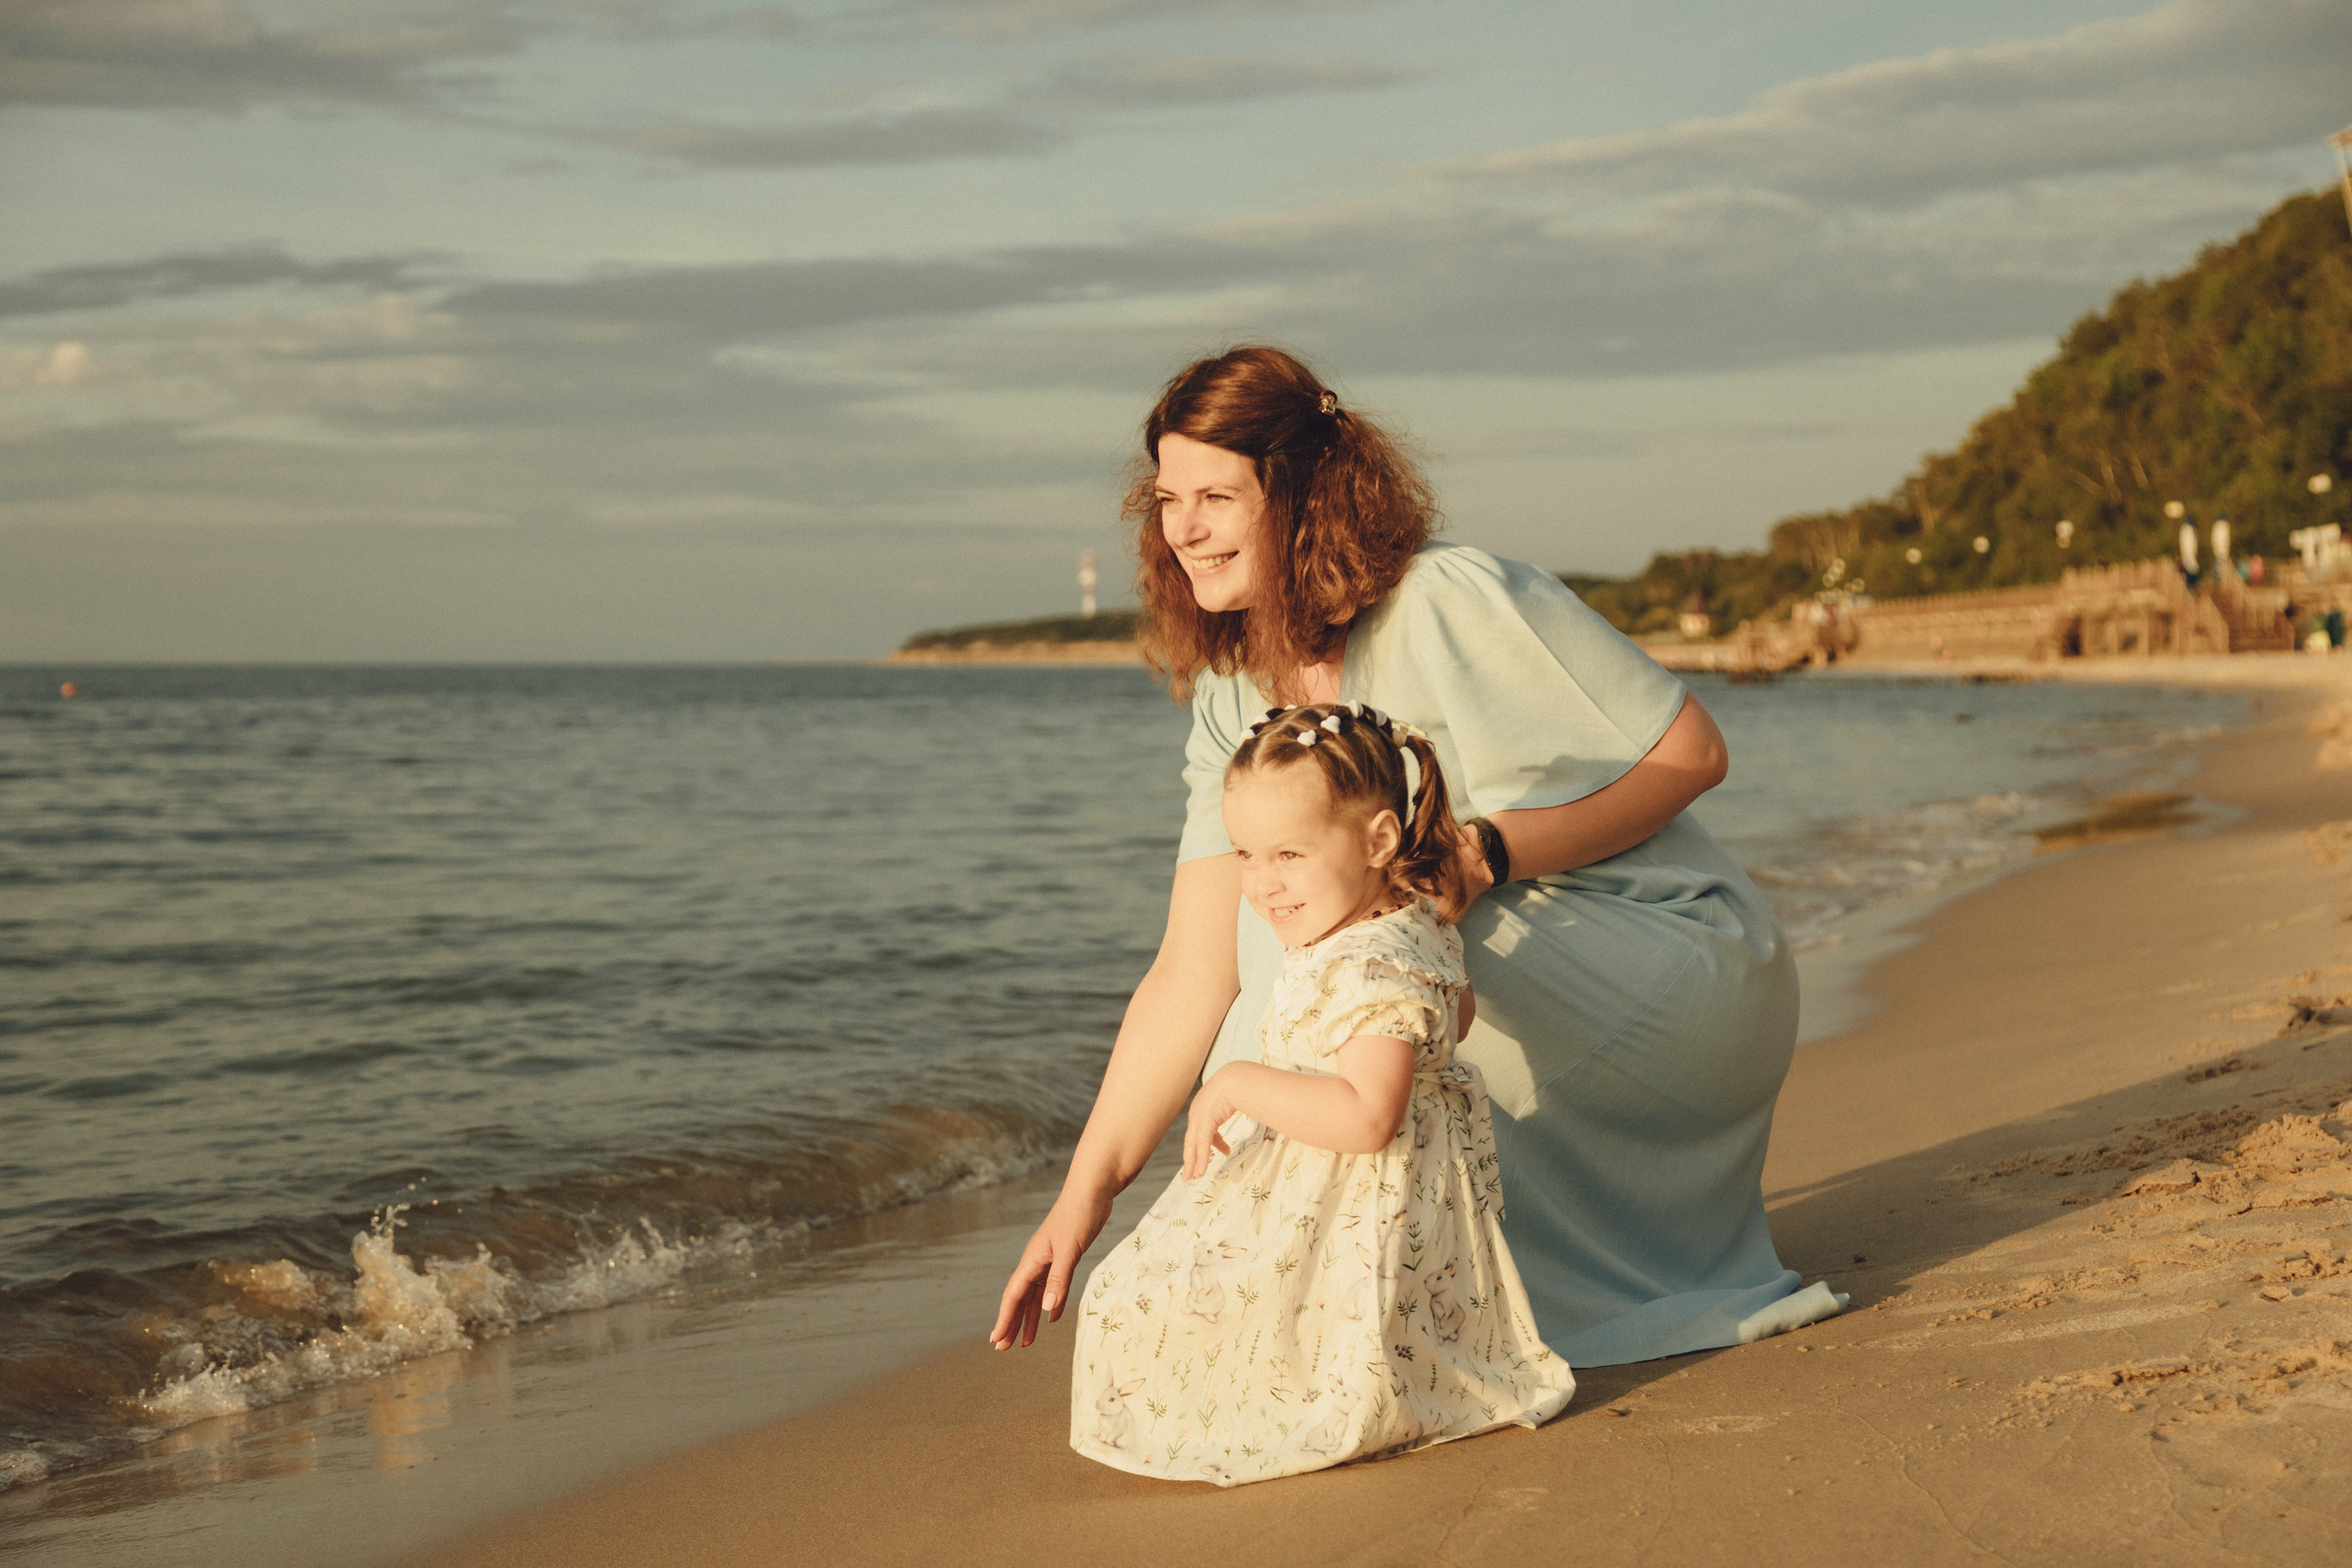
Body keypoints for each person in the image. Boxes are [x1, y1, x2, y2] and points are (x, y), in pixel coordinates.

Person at [991, 344, 1842, 1375]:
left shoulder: (1445, 598)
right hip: (1483, 975)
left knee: (1336, 928)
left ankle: (1338, 1301)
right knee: (1291, 917)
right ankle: (1320, 1293)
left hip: (1666, 961)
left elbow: (1693, 752)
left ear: (1298, 494)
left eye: (1217, 495)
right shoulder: (1232, 694)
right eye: (1168, 498)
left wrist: (1486, 850)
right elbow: (1190, 968)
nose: (1184, 529)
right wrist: (1083, 1200)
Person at [1069, 702, 1574, 1485]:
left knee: (1130, 1296)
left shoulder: (1367, 962)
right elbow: (1459, 1017)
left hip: (1352, 1196)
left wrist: (1238, 1080)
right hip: (1405, 1198)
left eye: (1289, 854)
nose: (1262, 884)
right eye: (1244, 853)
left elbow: (1369, 1117)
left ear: (1377, 840)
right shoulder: (1412, 924)